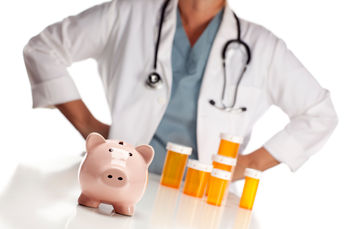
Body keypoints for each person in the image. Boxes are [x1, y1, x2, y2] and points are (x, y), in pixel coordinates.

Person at [23, 0, 338, 180]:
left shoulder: (263, 47)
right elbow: (44, 49)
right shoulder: (129, 13)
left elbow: (319, 113)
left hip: (202, 195)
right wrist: (89, 126)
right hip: (119, 177)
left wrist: (249, 164)